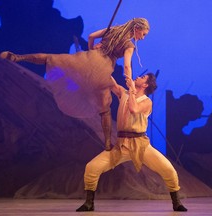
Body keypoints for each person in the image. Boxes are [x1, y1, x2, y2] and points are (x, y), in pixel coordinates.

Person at [0, 18, 150, 151]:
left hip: (87, 59)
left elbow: (91, 37)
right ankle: (107, 144)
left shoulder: (112, 30)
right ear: (136, 28)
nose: (142, 38)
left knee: (50, 59)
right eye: (143, 34)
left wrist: (92, 49)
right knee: (105, 109)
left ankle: (18, 57)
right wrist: (129, 82)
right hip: (102, 71)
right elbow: (126, 66)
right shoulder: (129, 46)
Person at [76, 73, 188, 212]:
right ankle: (89, 203)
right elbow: (112, 83)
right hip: (121, 145)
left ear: (145, 85)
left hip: (141, 145)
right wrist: (104, 65)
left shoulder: (146, 101)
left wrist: (132, 90)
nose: (137, 77)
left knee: (168, 170)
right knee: (92, 167)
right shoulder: (125, 93)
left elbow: (133, 109)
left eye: (142, 77)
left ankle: (176, 202)